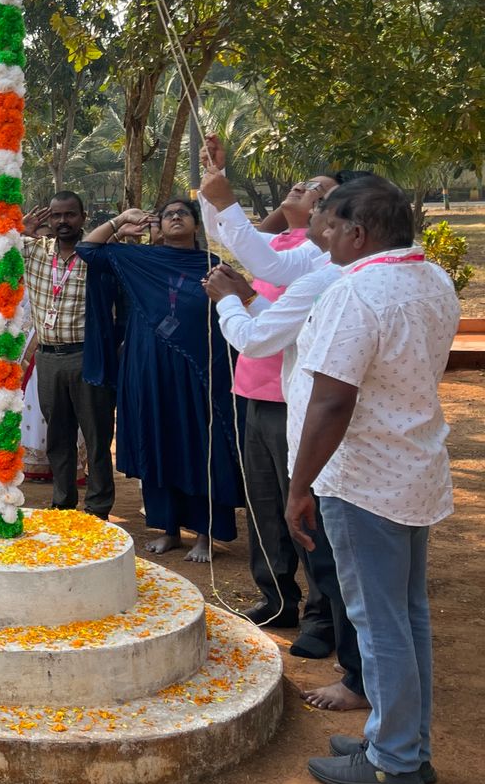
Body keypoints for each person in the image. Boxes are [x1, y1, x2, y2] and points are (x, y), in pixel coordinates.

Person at [286, 176, 458, 784]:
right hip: (410, 471)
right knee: (405, 616)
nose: (324, 235)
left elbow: (333, 401)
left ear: (357, 232)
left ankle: (393, 759)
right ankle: (407, 743)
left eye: (330, 225)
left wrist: (299, 486)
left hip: (362, 480)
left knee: (379, 621)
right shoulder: (433, 280)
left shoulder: (356, 291)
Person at [201, 170, 365, 711]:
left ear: (343, 217)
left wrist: (232, 299)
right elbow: (242, 247)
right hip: (262, 395)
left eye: (319, 193)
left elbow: (259, 331)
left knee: (312, 525)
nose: (305, 196)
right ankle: (280, 601)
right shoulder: (303, 251)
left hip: (302, 408)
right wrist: (213, 194)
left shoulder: (324, 268)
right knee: (268, 508)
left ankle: (329, 627)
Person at [78, 199, 243, 563]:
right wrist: (121, 221)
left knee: (200, 445)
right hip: (148, 367)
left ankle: (205, 534)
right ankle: (168, 529)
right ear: (159, 225)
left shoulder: (213, 266)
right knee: (158, 441)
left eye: (183, 213)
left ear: (196, 225)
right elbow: (88, 249)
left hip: (196, 370)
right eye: (169, 214)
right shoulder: (139, 259)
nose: (176, 217)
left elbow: (236, 307)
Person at [20, 192, 115, 514]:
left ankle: (98, 509)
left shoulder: (97, 253)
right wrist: (20, 231)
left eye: (70, 214)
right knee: (58, 436)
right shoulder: (34, 251)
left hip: (86, 356)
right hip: (47, 357)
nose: (63, 221)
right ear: (49, 219)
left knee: (96, 435)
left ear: (83, 217)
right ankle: (62, 504)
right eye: (56, 215)